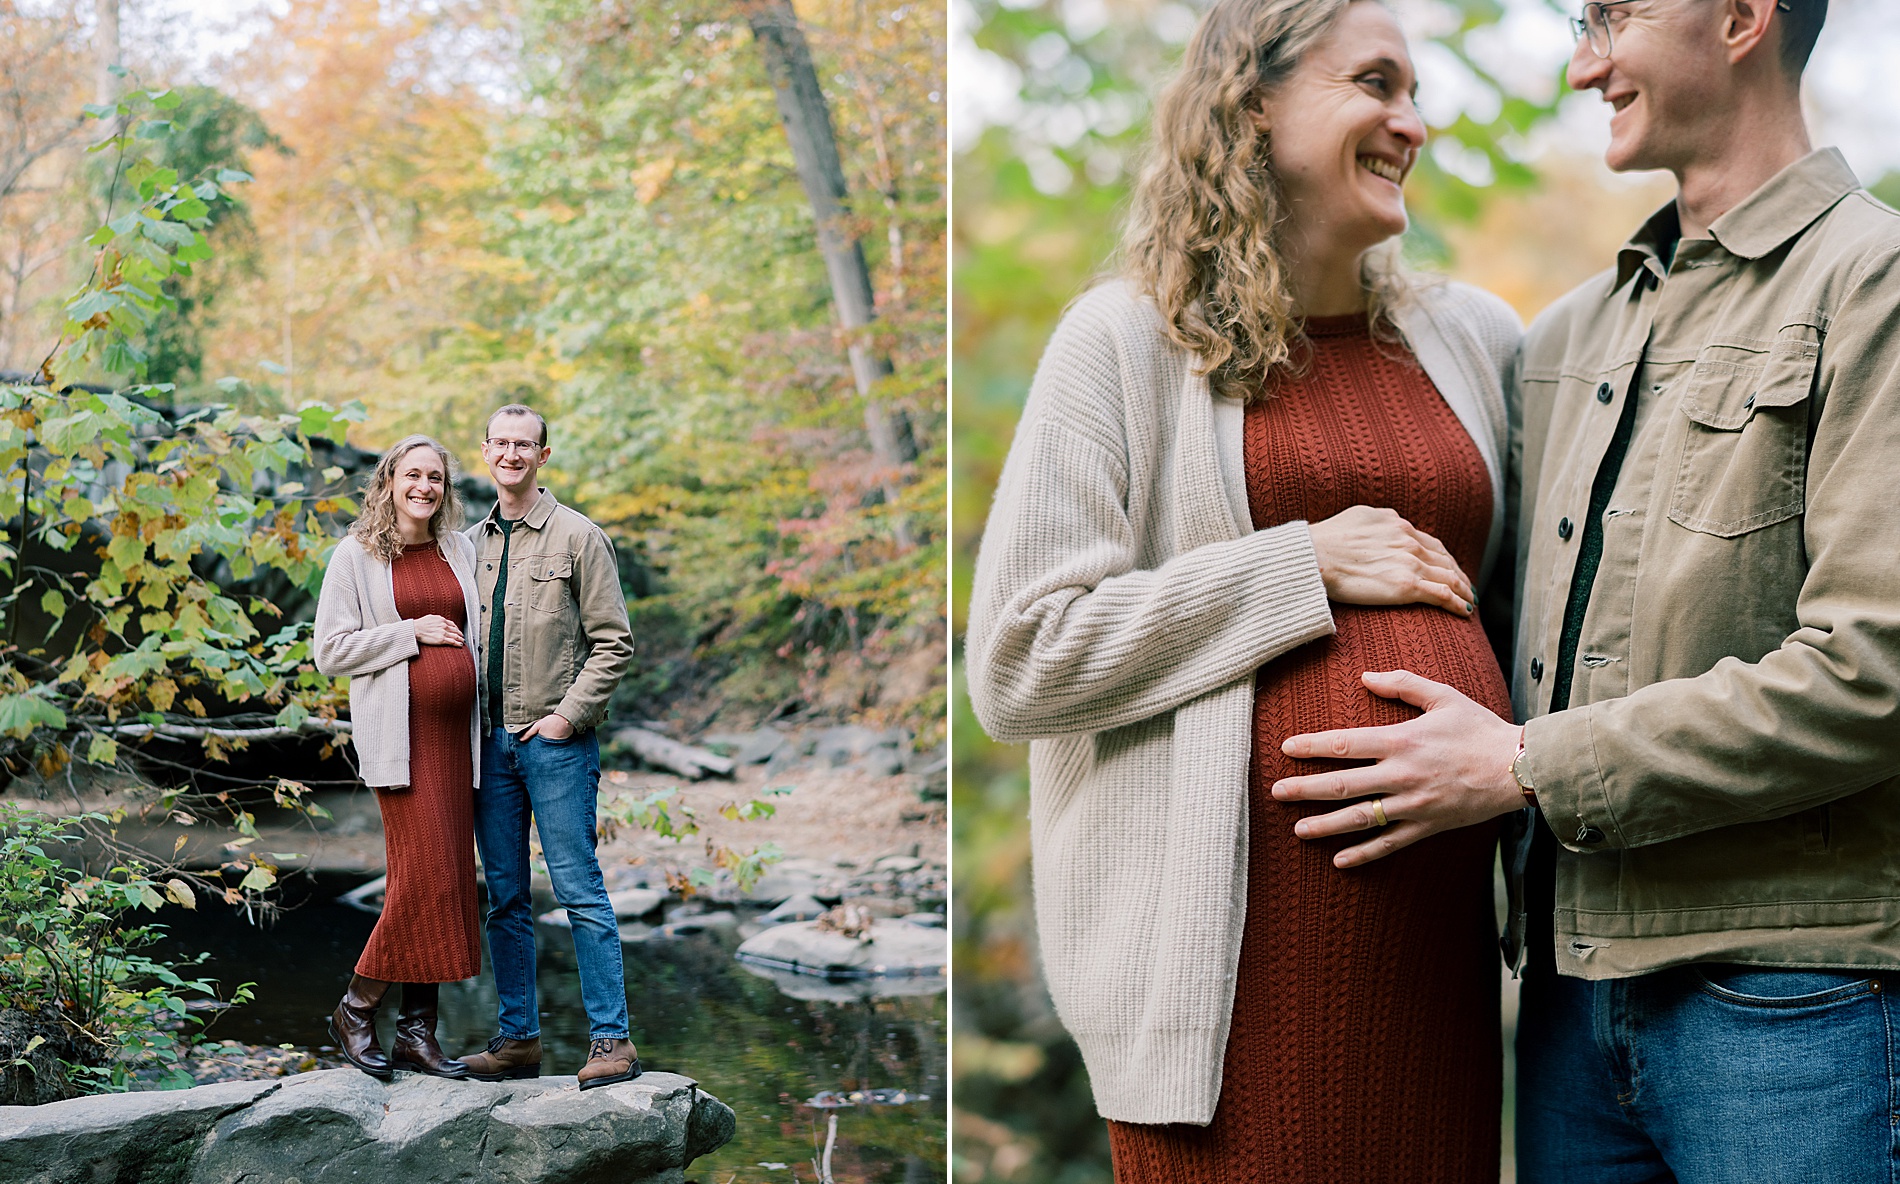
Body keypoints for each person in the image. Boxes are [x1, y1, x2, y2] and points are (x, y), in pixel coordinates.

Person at [1269, 0, 1900, 1178]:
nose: (1580, 64)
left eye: (1612, 15)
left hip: (1793, 1001)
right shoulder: (1558, 339)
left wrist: (1519, 765)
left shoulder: (1878, 286)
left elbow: (1876, 672)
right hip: (1561, 1005)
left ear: (1741, 18)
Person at [965, 0, 1523, 1175]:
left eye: (1415, 92)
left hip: (1437, 973)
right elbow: (1020, 656)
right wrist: (1296, 564)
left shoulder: (1477, 342)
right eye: (1375, 83)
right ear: (1254, 102)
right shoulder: (1124, 341)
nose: (1410, 122)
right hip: (1220, 1004)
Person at [455, 403, 638, 1089]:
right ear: (485, 451)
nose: (511, 454)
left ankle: (613, 1042)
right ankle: (518, 1041)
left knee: (579, 892)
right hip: (486, 748)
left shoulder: (577, 537)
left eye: (523, 444)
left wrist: (566, 717)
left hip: (555, 745)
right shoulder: (469, 544)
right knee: (504, 898)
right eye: (500, 443)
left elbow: (613, 642)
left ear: (543, 455)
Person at [314, 435, 484, 1081]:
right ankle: (356, 1008)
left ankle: (417, 1033)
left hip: (458, 742)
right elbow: (330, 651)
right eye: (412, 474)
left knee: (448, 883)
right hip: (402, 742)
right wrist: (408, 633)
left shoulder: (459, 548)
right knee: (420, 880)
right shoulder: (355, 555)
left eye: (435, 476)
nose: (424, 486)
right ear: (388, 481)